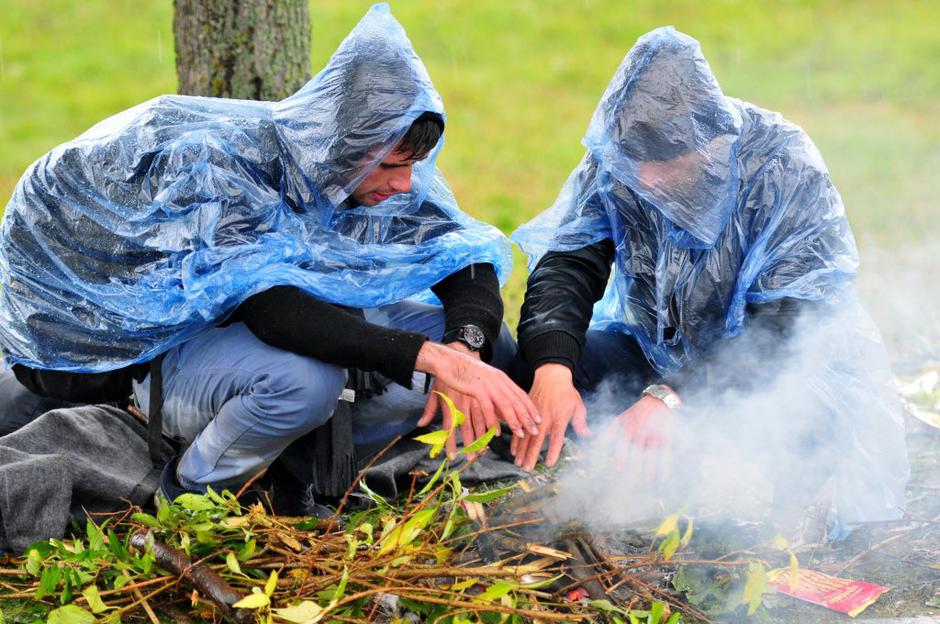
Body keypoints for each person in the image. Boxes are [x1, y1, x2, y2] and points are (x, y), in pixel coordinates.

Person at [0, 4, 539, 502]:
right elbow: (274, 311)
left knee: (483, 344)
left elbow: (460, 259)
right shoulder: (227, 171)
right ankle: (191, 494)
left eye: (413, 166)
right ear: (344, 145)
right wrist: (432, 359)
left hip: (286, 335)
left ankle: (309, 465)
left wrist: (463, 349)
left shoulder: (381, 178)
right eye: (391, 166)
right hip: (170, 354)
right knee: (304, 383)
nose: (405, 184)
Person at [509, 27, 908, 538]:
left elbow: (787, 326)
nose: (646, 180)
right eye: (638, 166)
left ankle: (757, 499)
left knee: (800, 428)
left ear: (711, 139)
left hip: (780, 378)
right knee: (537, 365)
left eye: (665, 166)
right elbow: (569, 262)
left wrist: (673, 397)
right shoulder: (621, 163)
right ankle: (598, 476)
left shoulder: (783, 165)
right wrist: (553, 368)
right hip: (661, 358)